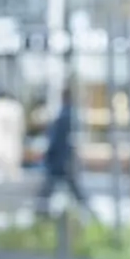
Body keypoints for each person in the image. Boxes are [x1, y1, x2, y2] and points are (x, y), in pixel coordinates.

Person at [37, 88, 90, 216]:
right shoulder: (72, 115)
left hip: (60, 160)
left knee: (48, 190)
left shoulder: (64, 116)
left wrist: (50, 154)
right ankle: (88, 212)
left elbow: (57, 139)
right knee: (72, 190)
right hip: (65, 159)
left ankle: (40, 214)